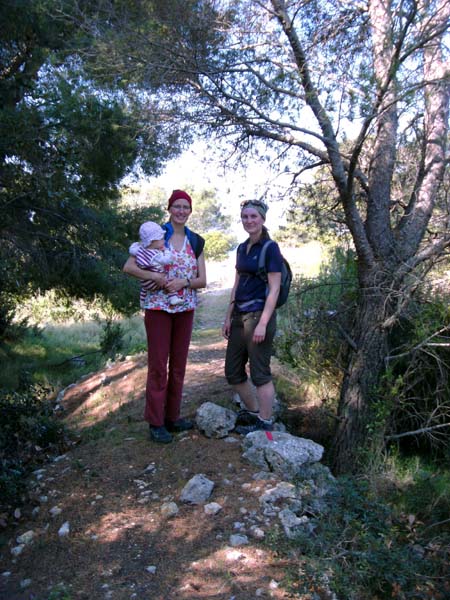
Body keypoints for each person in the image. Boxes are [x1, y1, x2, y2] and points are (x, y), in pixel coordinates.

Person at [123, 190, 207, 443]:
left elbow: (202, 280)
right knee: (159, 366)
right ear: (169, 209)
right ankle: (156, 422)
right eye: (177, 206)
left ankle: (173, 417)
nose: (181, 211)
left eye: (186, 207)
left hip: (185, 308)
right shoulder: (155, 234)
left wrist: (184, 281)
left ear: (190, 211)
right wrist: (156, 277)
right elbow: (129, 267)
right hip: (158, 308)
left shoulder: (197, 240)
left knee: (179, 366)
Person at [222, 199, 282, 434]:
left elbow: (275, 288)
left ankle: (266, 423)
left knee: (260, 373)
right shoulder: (241, 248)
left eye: (253, 217)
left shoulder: (270, 248)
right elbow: (237, 283)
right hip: (239, 317)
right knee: (233, 372)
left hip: (259, 317)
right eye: (245, 217)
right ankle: (254, 412)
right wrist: (228, 316)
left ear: (262, 219)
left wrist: (263, 324)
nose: (249, 221)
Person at [129, 221, 184, 308]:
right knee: (168, 283)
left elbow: (132, 250)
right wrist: (166, 251)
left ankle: (142, 301)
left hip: (144, 282)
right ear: (152, 241)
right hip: (155, 283)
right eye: (161, 239)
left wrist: (135, 244)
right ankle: (173, 297)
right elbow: (166, 260)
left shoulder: (139, 250)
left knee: (144, 288)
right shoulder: (156, 255)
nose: (164, 240)